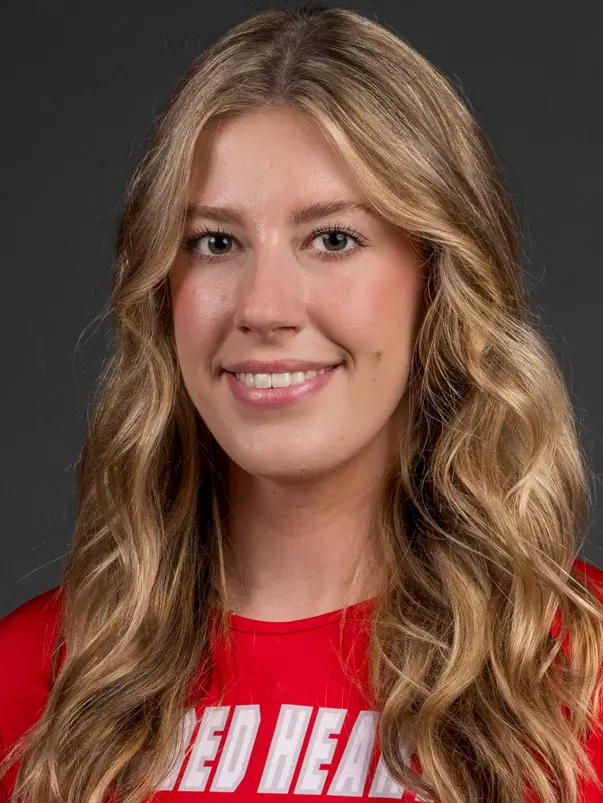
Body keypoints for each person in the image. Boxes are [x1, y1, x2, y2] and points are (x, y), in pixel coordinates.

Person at [1, 3, 602, 802]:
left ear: (436, 279)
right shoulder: (35, 678)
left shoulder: (575, 673)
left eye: (332, 239)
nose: (264, 306)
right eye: (215, 241)